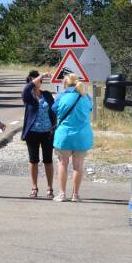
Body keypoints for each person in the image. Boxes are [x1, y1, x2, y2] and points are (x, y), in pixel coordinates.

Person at [51, 73, 93, 202]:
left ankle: (62, 194)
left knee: (63, 163)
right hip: (82, 136)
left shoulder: (62, 97)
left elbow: (54, 109)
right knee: (78, 165)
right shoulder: (86, 98)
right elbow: (89, 110)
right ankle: (75, 195)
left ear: (65, 84)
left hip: (64, 136)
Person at [21, 70, 56, 198]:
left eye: (40, 80)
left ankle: (50, 188)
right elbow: (25, 90)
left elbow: (54, 110)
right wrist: (40, 76)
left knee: (48, 160)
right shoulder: (28, 96)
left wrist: (54, 126)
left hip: (47, 133)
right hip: (32, 133)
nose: (38, 82)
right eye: (35, 80)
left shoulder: (46, 95)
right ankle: (34, 187)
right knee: (33, 160)